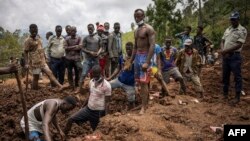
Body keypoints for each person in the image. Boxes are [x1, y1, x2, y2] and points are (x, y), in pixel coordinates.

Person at [64, 65, 111, 134]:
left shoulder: (107, 85)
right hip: (88, 109)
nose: (95, 77)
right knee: (71, 119)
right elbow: (89, 95)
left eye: (96, 75)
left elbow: (107, 102)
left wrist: (106, 116)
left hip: (98, 112)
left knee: (96, 131)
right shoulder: (91, 81)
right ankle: (63, 136)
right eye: (93, 75)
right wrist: (82, 107)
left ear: (101, 73)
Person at [125, 9, 155, 115]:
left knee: (143, 82)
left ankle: (143, 107)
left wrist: (147, 62)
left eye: (139, 16)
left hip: (145, 57)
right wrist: (130, 61)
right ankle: (145, 102)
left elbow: (152, 45)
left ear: (143, 16)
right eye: (135, 16)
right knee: (141, 81)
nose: (137, 18)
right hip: (137, 56)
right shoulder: (136, 31)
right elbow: (135, 47)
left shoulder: (149, 29)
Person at [24, 24, 63, 90]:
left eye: (35, 30)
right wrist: (26, 63)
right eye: (32, 30)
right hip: (35, 62)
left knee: (50, 73)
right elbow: (25, 52)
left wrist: (45, 57)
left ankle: (60, 86)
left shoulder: (39, 38)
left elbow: (41, 48)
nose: (34, 32)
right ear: (29, 30)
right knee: (36, 77)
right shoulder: (27, 41)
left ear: (37, 30)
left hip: (42, 61)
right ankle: (34, 90)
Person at [220, 11, 247, 105]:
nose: (232, 21)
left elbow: (239, 45)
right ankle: (225, 94)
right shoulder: (228, 29)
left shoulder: (242, 30)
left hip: (235, 56)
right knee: (225, 76)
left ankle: (237, 97)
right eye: (231, 20)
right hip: (225, 56)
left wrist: (226, 51)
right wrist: (223, 50)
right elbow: (222, 40)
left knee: (237, 77)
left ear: (238, 20)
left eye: (234, 20)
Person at [75, 24, 103, 94]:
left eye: (91, 29)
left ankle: (96, 88)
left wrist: (98, 52)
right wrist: (90, 52)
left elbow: (101, 47)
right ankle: (79, 88)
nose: (90, 30)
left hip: (96, 59)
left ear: (94, 29)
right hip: (88, 59)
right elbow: (83, 48)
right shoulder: (86, 38)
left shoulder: (98, 37)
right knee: (84, 73)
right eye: (88, 29)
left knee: (97, 74)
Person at [107, 42, 136, 109]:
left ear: (133, 49)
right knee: (107, 86)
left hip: (130, 84)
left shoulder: (136, 59)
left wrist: (137, 84)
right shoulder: (122, 57)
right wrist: (110, 78)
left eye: (130, 49)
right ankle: (106, 103)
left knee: (131, 100)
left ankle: (132, 110)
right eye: (127, 49)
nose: (128, 50)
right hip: (119, 80)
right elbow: (118, 68)